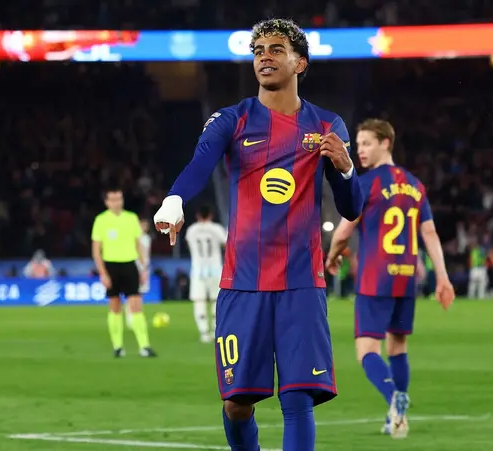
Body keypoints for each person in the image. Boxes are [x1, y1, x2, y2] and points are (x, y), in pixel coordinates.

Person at [153, 18, 364, 451]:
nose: (264, 57)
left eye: (276, 49)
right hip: (243, 283)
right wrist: (174, 200)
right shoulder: (232, 119)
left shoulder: (328, 125)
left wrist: (346, 170)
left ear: (300, 63)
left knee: (298, 397)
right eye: (258, 51)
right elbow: (200, 162)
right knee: (238, 403)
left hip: (301, 283)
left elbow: (352, 208)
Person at [325, 118, 454, 439]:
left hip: (375, 276)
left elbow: (344, 231)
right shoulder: (415, 185)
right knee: (398, 346)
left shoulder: (366, 183)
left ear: (385, 143)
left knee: (367, 350)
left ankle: (394, 397)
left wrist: (332, 255)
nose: (360, 150)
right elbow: (429, 233)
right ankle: (398, 417)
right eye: (358, 144)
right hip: (406, 277)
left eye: (367, 143)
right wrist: (442, 277)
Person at [91, 188, 156, 358]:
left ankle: (144, 346)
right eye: (113, 200)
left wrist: (143, 269)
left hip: (129, 264)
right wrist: (103, 273)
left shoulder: (131, 218)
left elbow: (138, 245)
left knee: (136, 305)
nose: (117, 203)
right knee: (115, 306)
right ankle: (118, 346)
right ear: (107, 202)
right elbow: (96, 250)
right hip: (111, 265)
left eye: (119, 199)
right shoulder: (101, 220)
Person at [184, 205, 227, 343]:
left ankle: (203, 333)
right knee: (216, 300)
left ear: (198, 215)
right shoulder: (217, 229)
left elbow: (189, 245)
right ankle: (215, 331)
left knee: (199, 300)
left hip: (198, 270)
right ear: (211, 215)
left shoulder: (191, 230)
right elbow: (227, 245)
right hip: (215, 269)